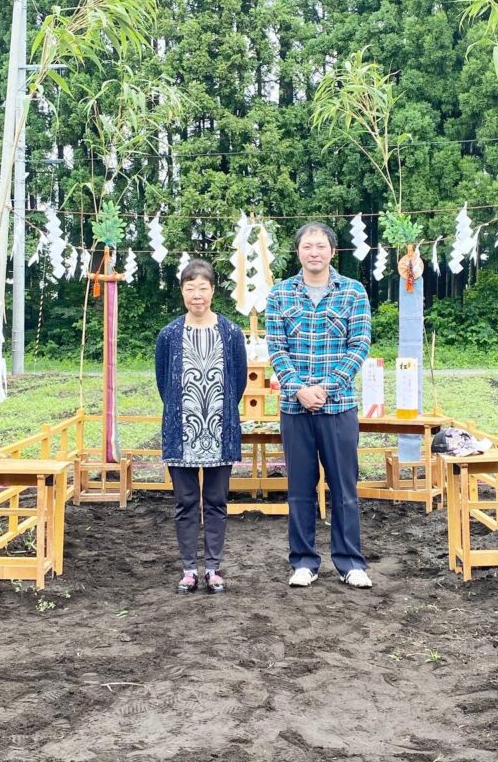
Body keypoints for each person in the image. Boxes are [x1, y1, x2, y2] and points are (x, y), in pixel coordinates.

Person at [265, 221, 373, 589]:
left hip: (339, 406)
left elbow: (359, 345)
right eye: (308, 246)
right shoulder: (280, 295)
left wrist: (326, 388)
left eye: (321, 246)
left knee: (345, 487)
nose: (314, 252)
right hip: (295, 410)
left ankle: (350, 562)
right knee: (299, 488)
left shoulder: (354, 293)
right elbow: (276, 349)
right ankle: (303, 562)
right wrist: (298, 389)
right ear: (298, 251)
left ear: (332, 251)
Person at [155, 258, 247, 595]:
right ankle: (188, 569)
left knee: (216, 501)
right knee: (185, 502)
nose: (197, 295)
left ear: (212, 291)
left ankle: (213, 567)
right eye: (190, 288)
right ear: (182, 292)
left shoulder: (231, 332)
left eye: (203, 288)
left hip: (219, 432)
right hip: (182, 432)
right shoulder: (169, 334)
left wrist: (220, 415)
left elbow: (238, 381)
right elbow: (163, 381)